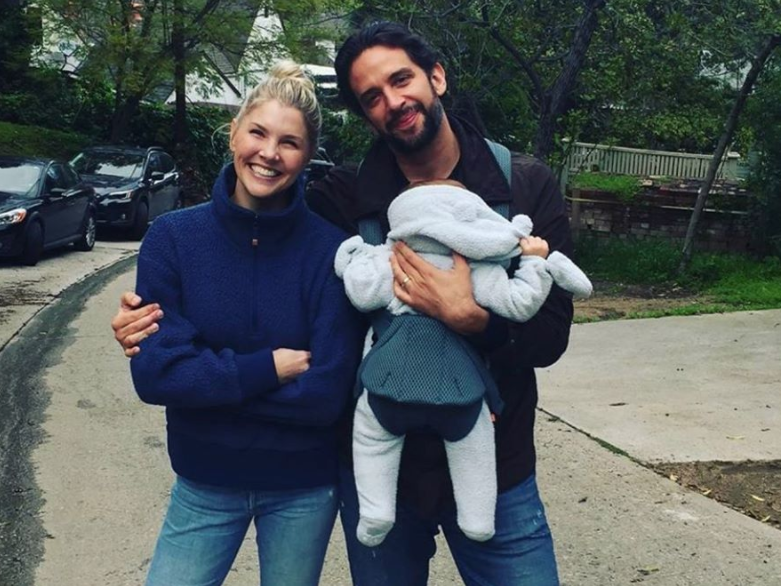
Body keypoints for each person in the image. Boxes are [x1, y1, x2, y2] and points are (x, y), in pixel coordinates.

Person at [114, 22, 574, 586]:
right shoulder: (344, 202)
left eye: (401, 80)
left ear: (437, 77)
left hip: (495, 468)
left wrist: (474, 319)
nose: (393, 103)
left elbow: (550, 338)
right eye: (371, 98)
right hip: (383, 480)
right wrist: (150, 333)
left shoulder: (523, 187)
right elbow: (263, 241)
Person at [125, 60, 364, 586]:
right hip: (205, 480)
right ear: (234, 132)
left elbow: (326, 393)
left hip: (304, 488)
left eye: (289, 143)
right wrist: (268, 369)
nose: (269, 154)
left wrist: (206, 382)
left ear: (307, 157)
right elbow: (156, 376)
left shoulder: (331, 252)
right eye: (257, 132)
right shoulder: (173, 239)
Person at [334, 179, 591, 547]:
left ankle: (375, 513)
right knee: (474, 444)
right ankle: (478, 517)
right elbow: (520, 303)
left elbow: (362, 294)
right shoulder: (477, 269)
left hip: (387, 385)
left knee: (372, 439)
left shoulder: (391, 258)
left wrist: (354, 256)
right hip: (461, 394)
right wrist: (533, 264)